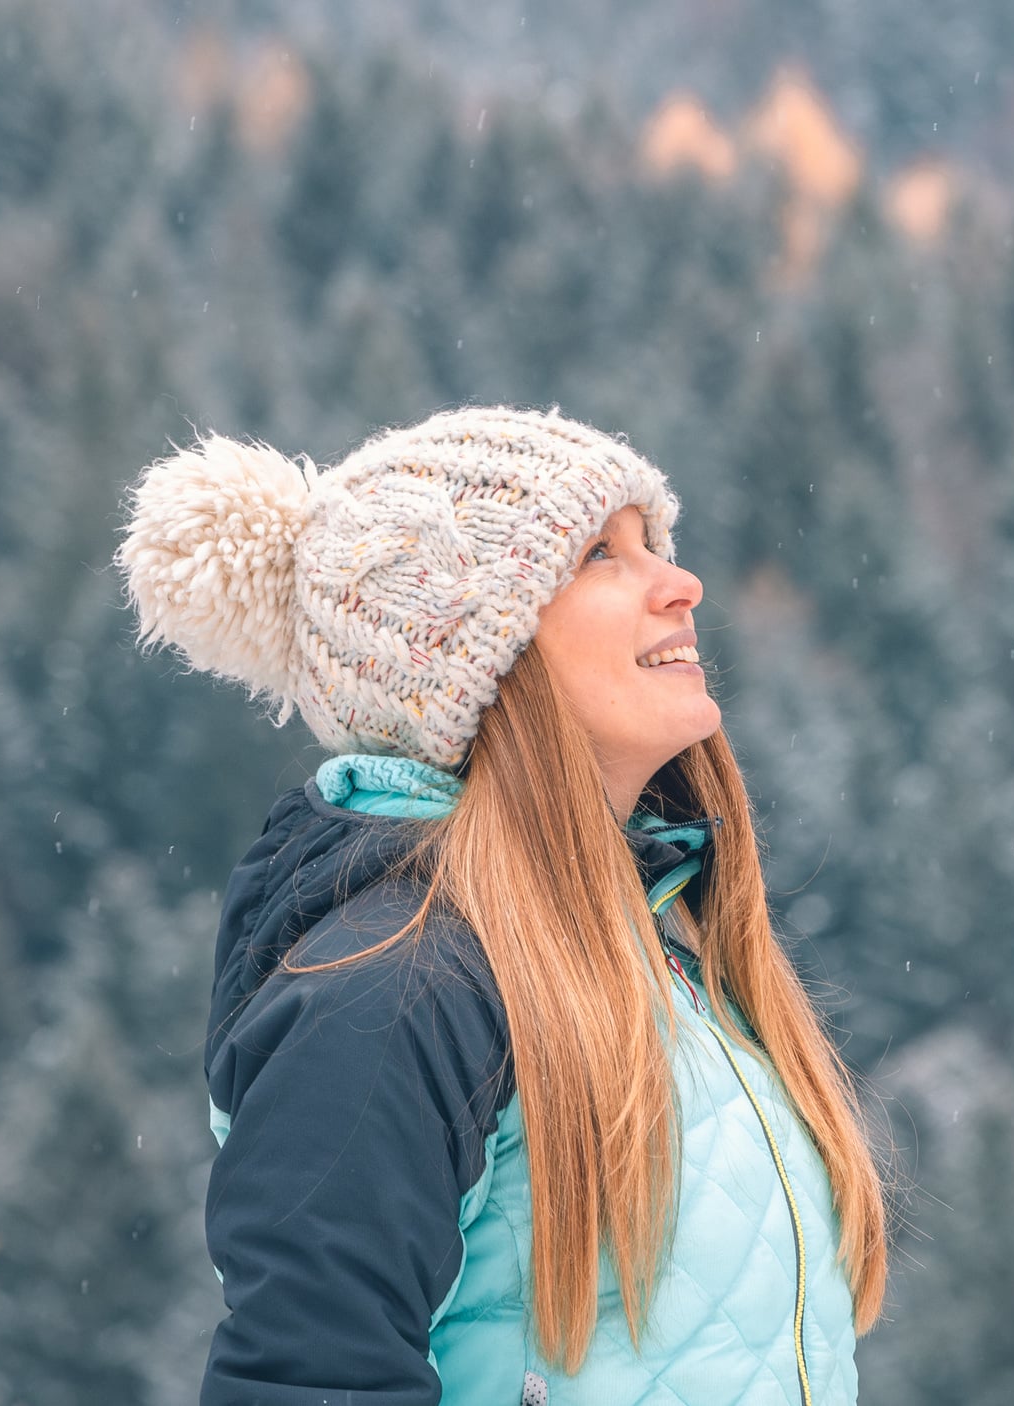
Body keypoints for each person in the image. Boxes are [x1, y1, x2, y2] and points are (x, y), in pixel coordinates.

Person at [113, 404, 890, 1405]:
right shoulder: (394, 985)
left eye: (653, 542)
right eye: (601, 556)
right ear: (470, 655)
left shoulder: (668, 961)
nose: (680, 582)